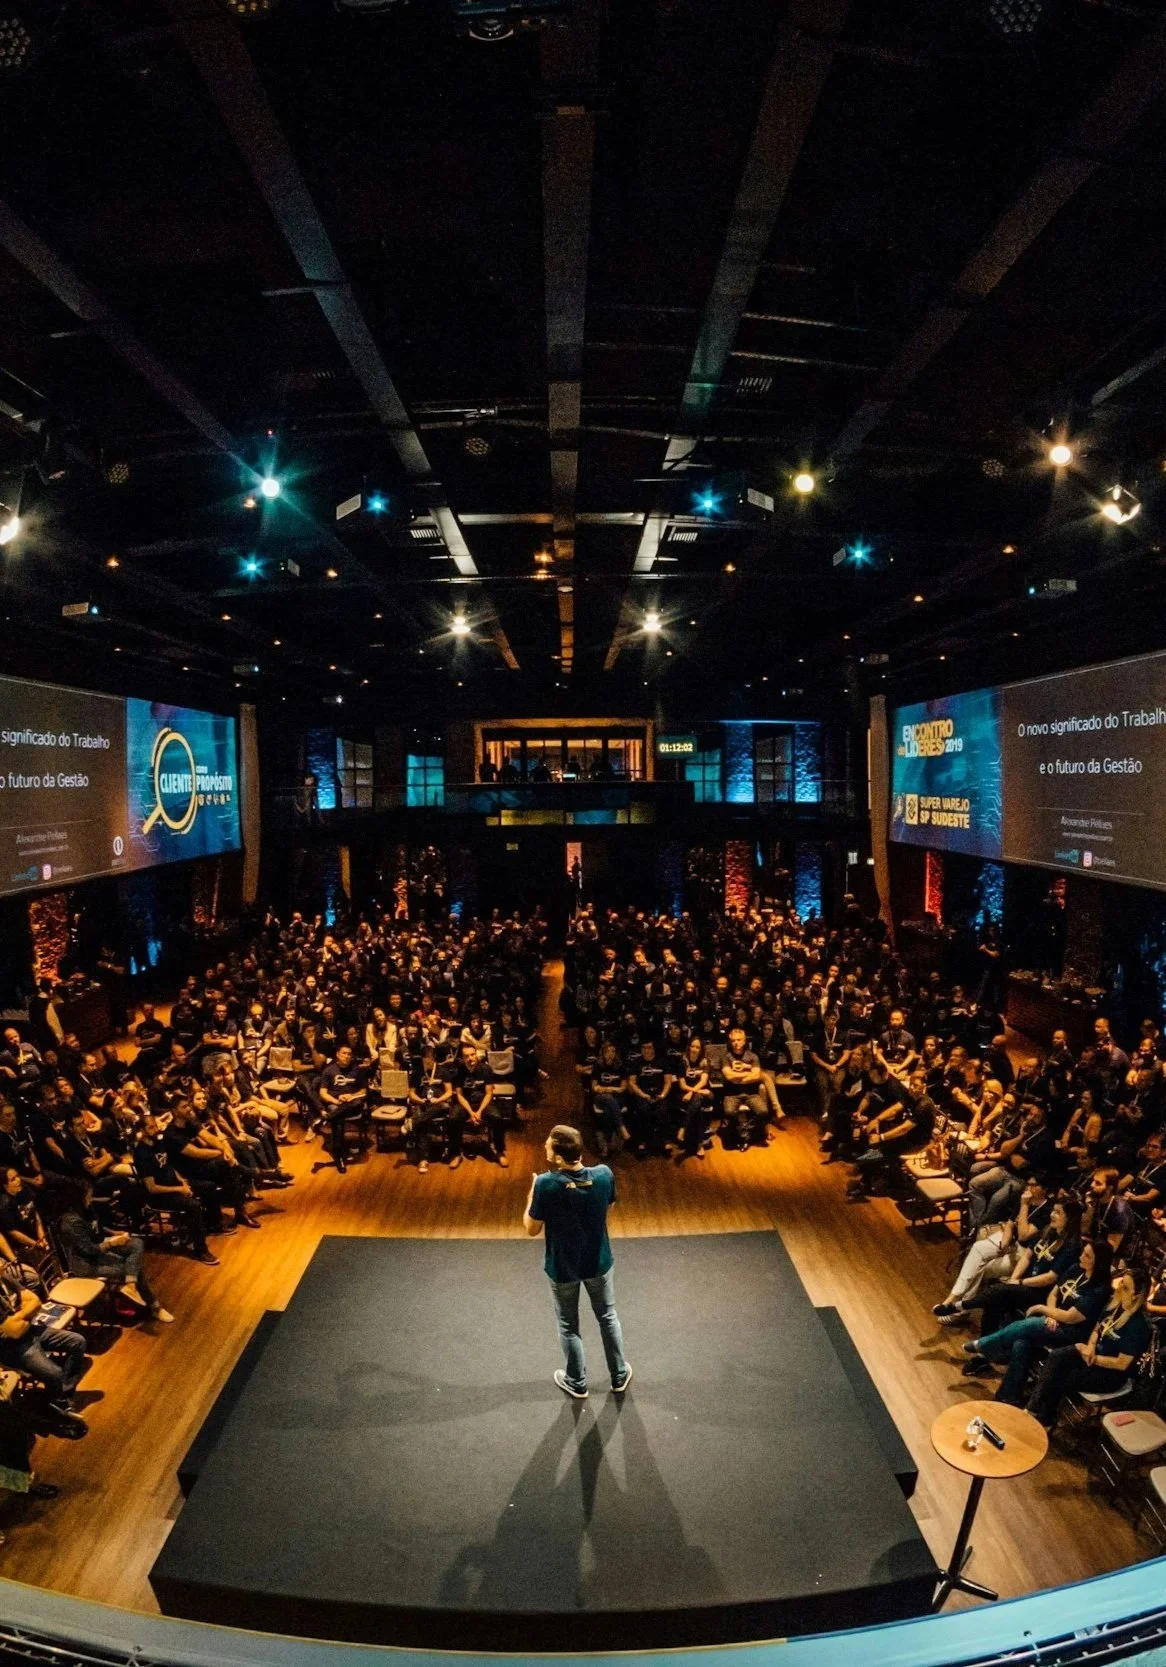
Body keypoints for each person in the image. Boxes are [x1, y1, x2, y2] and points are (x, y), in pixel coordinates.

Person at [522, 1124, 630, 1399]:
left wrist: (531, 1197)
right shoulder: (604, 1174)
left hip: (563, 1267)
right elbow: (609, 1208)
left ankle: (576, 1381)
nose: (544, 1146)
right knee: (607, 1317)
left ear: (558, 1157)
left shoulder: (545, 1184)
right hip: (599, 1262)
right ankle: (619, 1375)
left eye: (548, 1144)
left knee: (569, 1325)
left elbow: (531, 1229)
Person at [1025, 1265, 1152, 1428]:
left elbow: (1122, 1364)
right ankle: (1034, 1411)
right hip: (1093, 1355)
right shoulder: (1115, 1306)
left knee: (1060, 1373)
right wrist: (1090, 1346)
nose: (1119, 1288)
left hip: (1110, 1375)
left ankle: (1040, 1415)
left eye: (1125, 1287)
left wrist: (1092, 1357)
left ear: (1136, 1295)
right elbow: (1097, 1330)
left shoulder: (1138, 1325)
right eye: (1121, 1283)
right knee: (1057, 1356)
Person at [56, 1182, 173, 1323]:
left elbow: (98, 1227)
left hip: (100, 1246)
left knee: (137, 1243)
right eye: (88, 1195)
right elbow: (89, 1250)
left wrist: (114, 1233)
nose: (90, 1197)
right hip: (86, 1264)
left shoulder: (86, 1208)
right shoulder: (71, 1223)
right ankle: (155, 1307)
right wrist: (112, 1243)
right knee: (133, 1269)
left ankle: (130, 1286)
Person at [0, 1267, 88, 1415]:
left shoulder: (5, 1277)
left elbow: (36, 1301)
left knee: (78, 1342)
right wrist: (27, 1313)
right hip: (9, 1346)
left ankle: (61, 1395)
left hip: (29, 1331)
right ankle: (60, 1402)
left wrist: (20, 1317)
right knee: (55, 1373)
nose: (3, 1263)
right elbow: (14, 1332)